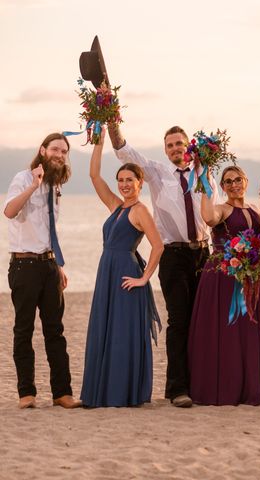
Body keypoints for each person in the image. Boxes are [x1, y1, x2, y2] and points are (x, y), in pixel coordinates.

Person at [108, 123, 215, 408]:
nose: (175, 149)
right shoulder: (156, 172)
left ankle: (202, 383)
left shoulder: (205, 172)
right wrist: (109, 117)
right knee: (179, 320)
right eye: (170, 145)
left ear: (188, 145)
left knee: (201, 321)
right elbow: (122, 149)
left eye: (179, 143)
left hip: (204, 254)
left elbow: (214, 213)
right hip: (173, 256)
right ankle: (178, 388)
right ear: (165, 150)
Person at [80, 132, 164, 407]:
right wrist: (98, 141)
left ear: (140, 183)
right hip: (107, 272)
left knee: (122, 335)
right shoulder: (117, 206)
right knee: (105, 330)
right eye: (121, 180)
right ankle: (102, 392)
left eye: (130, 180)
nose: (125, 184)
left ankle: (122, 392)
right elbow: (94, 176)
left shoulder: (140, 211)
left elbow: (158, 246)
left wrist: (143, 278)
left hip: (126, 275)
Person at [4, 132, 81, 409]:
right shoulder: (23, 179)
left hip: (49, 266)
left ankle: (62, 393)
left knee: (55, 331)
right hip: (23, 265)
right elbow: (10, 212)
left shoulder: (55, 186)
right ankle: (27, 393)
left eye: (64, 151)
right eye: (56, 150)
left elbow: (49, 230)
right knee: (23, 330)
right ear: (43, 150)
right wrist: (33, 186)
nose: (60, 155)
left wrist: (58, 265)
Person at [188, 166, 260, 406]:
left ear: (246, 181)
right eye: (228, 181)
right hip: (222, 276)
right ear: (222, 187)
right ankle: (223, 387)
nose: (234, 185)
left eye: (238, 180)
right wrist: (204, 187)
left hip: (248, 277)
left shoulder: (254, 209)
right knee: (225, 331)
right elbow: (208, 218)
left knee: (245, 331)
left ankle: (247, 387)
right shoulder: (222, 209)